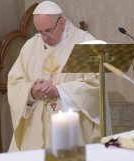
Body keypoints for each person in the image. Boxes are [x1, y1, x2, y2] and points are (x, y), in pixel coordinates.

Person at [7, 0, 111, 152]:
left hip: (74, 133)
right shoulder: (30, 46)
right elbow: (15, 83)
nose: (44, 37)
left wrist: (58, 91)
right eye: (40, 31)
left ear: (62, 23)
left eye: (48, 30)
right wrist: (32, 92)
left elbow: (96, 85)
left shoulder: (85, 43)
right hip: (36, 136)